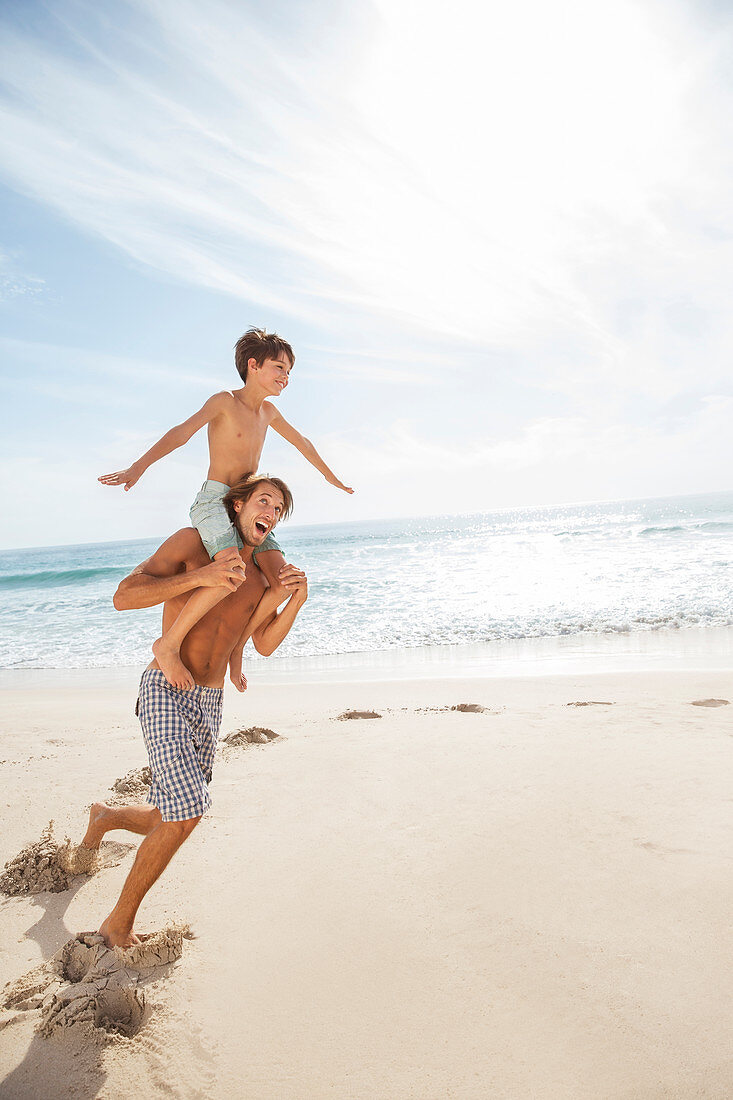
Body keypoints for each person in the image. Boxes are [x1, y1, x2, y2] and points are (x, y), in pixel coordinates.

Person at [81, 473, 307, 949]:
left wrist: (297, 599)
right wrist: (198, 577)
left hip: (209, 700)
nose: (271, 512)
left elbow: (263, 643)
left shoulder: (262, 575)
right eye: (264, 501)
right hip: (165, 684)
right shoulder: (193, 544)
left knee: (173, 809)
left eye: (279, 510)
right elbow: (124, 596)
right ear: (238, 505)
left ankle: (105, 817)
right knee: (189, 809)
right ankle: (117, 923)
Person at [99, 327, 351, 692]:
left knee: (284, 583)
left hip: (249, 507)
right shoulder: (224, 402)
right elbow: (180, 433)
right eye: (279, 367)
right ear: (253, 365)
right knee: (231, 569)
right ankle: (168, 646)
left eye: (289, 371)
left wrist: (330, 477)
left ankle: (237, 650)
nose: (285, 376)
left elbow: (303, 443)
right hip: (216, 501)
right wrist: (138, 467)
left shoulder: (269, 413)